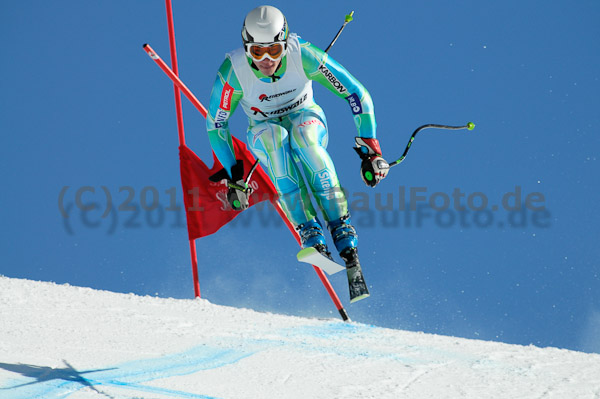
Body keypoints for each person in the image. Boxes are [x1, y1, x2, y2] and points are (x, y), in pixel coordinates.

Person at [206, 5, 389, 302]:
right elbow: (216, 125)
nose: (266, 60)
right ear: (246, 47)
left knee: (304, 138)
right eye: (257, 52)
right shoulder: (233, 72)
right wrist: (234, 174)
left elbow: (356, 93)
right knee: (275, 140)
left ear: (285, 42)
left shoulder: (301, 55)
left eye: (274, 50)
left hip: (306, 117)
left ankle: (341, 226)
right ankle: (309, 230)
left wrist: (370, 148)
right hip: (263, 129)